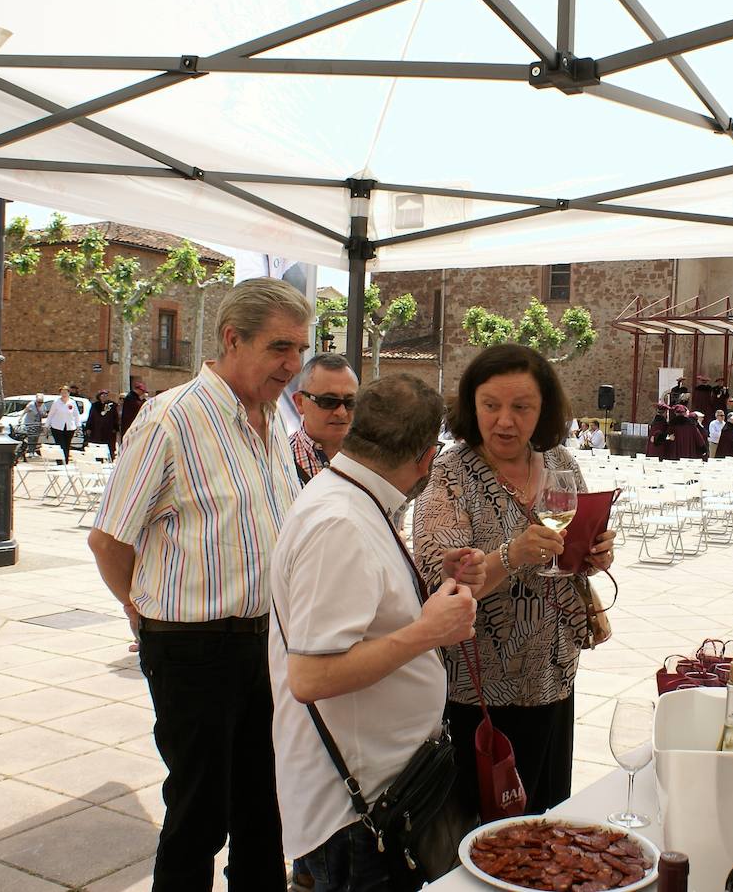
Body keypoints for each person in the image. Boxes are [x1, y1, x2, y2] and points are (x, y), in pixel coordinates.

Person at [88, 278, 312, 891]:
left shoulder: (269, 422)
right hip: (194, 649)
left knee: (265, 810)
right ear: (232, 338)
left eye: (300, 349)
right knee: (199, 813)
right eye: (280, 348)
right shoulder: (172, 419)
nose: (294, 365)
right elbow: (109, 539)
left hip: (267, 645)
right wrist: (141, 611)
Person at [269, 375, 484, 892]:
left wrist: (429, 585)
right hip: (356, 808)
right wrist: (427, 633)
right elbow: (311, 676)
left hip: (387, 783)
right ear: (427, 457)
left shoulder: (355, 496)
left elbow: (366, 609)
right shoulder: (339, 522)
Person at [413, 343, 617, 816]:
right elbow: (441, 586)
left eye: (521, 407)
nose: (505, 421)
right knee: (487, 832)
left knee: (546, 818)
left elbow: (573, 549)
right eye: (491, 406)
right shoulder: (449, 475)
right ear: (471, 406)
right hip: (480, 691)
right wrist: (511, 554)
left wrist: (595, 554)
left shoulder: (562, 463)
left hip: (555, 676)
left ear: (543, 409)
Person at [289, 353, 358, 485]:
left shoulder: (374, 461)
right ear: (300, 402)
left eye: (350, 402)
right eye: (328, 401)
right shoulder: (280, 460)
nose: (341, 412)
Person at [82, 390, 119, 461]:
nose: (104, 397)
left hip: (109, 429)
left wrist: (115, 428)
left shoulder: (112, 405)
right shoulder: (95, 405)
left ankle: (111, 458)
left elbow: (115, 417)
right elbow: (91, 417)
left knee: (110, 445)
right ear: (99, 397)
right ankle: (99, 459)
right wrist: (88, 428)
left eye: (105, 395)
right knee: (98, 444)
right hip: (97, 429)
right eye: (102, 395)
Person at [46, 386, 81, 464]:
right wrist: (46, 425)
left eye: (65, 392)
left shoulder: (72, 402)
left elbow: (76, 414)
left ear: (69, 393)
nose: (64, 394)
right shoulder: (56, 402)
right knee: (60, 445)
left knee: (67, 445)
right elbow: (51, 414)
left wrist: (78, 425)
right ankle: (60, 462)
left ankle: (66, 461)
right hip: (57, 427)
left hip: (69, 427)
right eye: (62, 392)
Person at [18, 393, 47, 459]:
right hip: (30, 424)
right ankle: (30, 452)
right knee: (31, 438)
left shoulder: (43, 405)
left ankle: (33, 451)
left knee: (36, 438)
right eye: (39, 402)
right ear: (36, 400)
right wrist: (20, 418)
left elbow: (44, 413)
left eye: (41, 402)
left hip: (38, 424)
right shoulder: (31, 405)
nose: (40, 403)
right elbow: (24, 411)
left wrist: (44, 415)